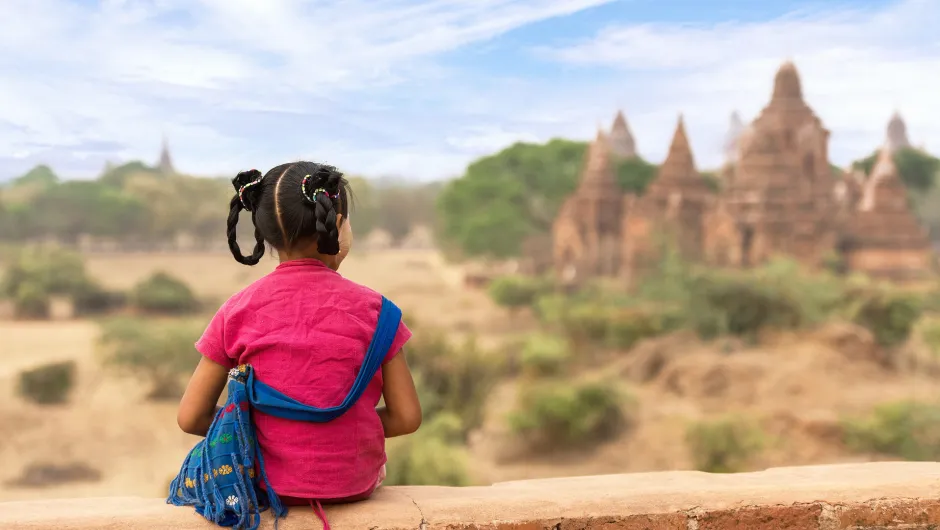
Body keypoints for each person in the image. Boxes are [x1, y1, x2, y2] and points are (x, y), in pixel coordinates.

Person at [175, 161, 422, 526]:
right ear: (337, 224)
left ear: (267, 234)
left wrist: (271, 429)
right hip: (353, 484)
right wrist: (339, 428)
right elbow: (406, 417)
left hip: (265, 484)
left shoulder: (237, 310)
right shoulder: (378, 311)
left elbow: (190, 416)